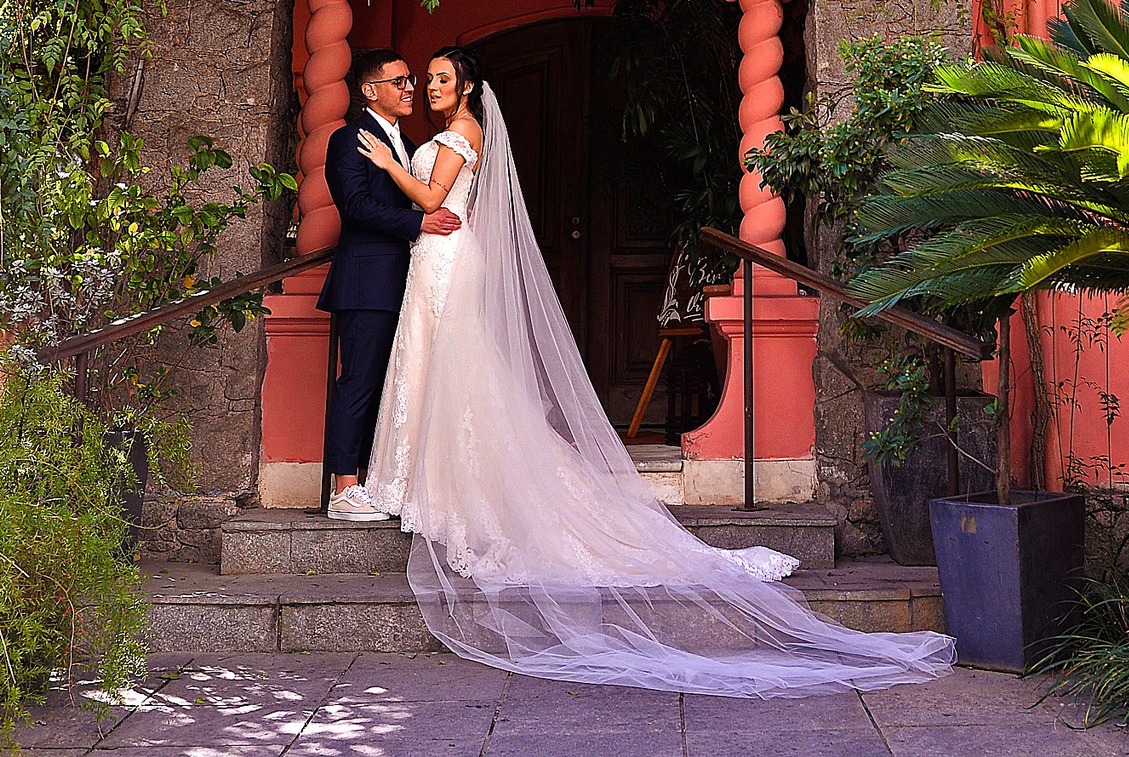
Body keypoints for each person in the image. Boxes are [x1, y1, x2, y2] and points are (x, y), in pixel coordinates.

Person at [348, 49, 956, 696]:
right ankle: (427, 478)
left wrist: (389, 165)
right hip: (434, 258)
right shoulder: (446, 133)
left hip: (445, 257)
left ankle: (454, 487)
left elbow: (436, 196)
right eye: (430, 78)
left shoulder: (459, 132)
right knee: (446, 375)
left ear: (467, 87)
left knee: (462, 379)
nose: (434, 87)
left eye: (444, 79)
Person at [316, 48, 460, 521]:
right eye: (398, 82)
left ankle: (377, 481)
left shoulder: (408, 142)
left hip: (408, 281)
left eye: (410, 80)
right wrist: (418, 222)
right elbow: (355, 207)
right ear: (369, 90)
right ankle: (343, 489)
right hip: (367, 280)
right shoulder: (348, 139)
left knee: (393, 385)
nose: (409, 89)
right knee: (359, 380)